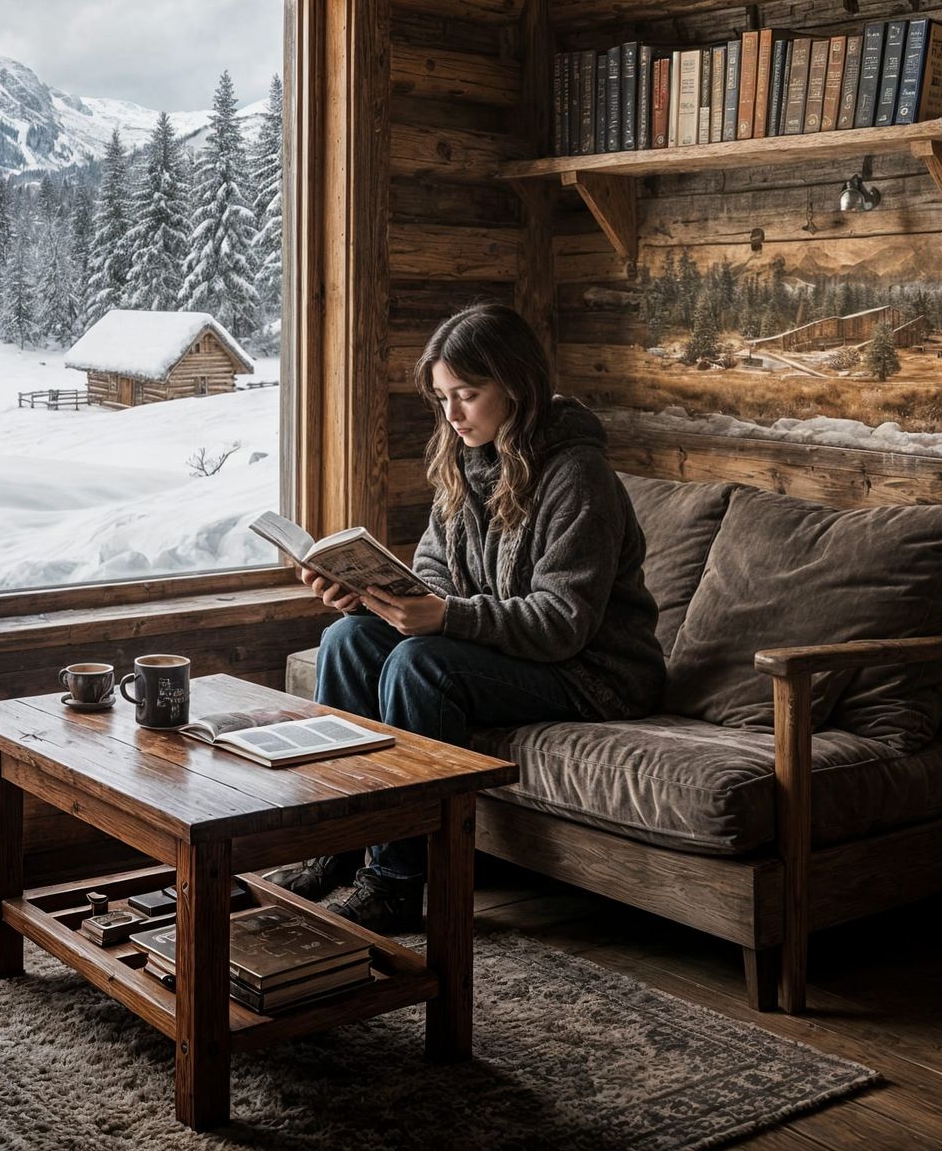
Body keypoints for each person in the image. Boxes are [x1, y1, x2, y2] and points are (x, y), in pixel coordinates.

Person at [272, 303, 664, 933]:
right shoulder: (463, 461)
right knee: (347, 639)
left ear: (517, 386)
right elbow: (435, 576)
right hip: (515, 653)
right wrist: (370, 596)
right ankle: (337, 845)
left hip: (593, 672)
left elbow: (562, 620)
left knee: (422, 666)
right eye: (442, 397)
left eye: (468, 395)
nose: (452, 415)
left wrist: (445, 617)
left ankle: (398, 882)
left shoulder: (578, 475)